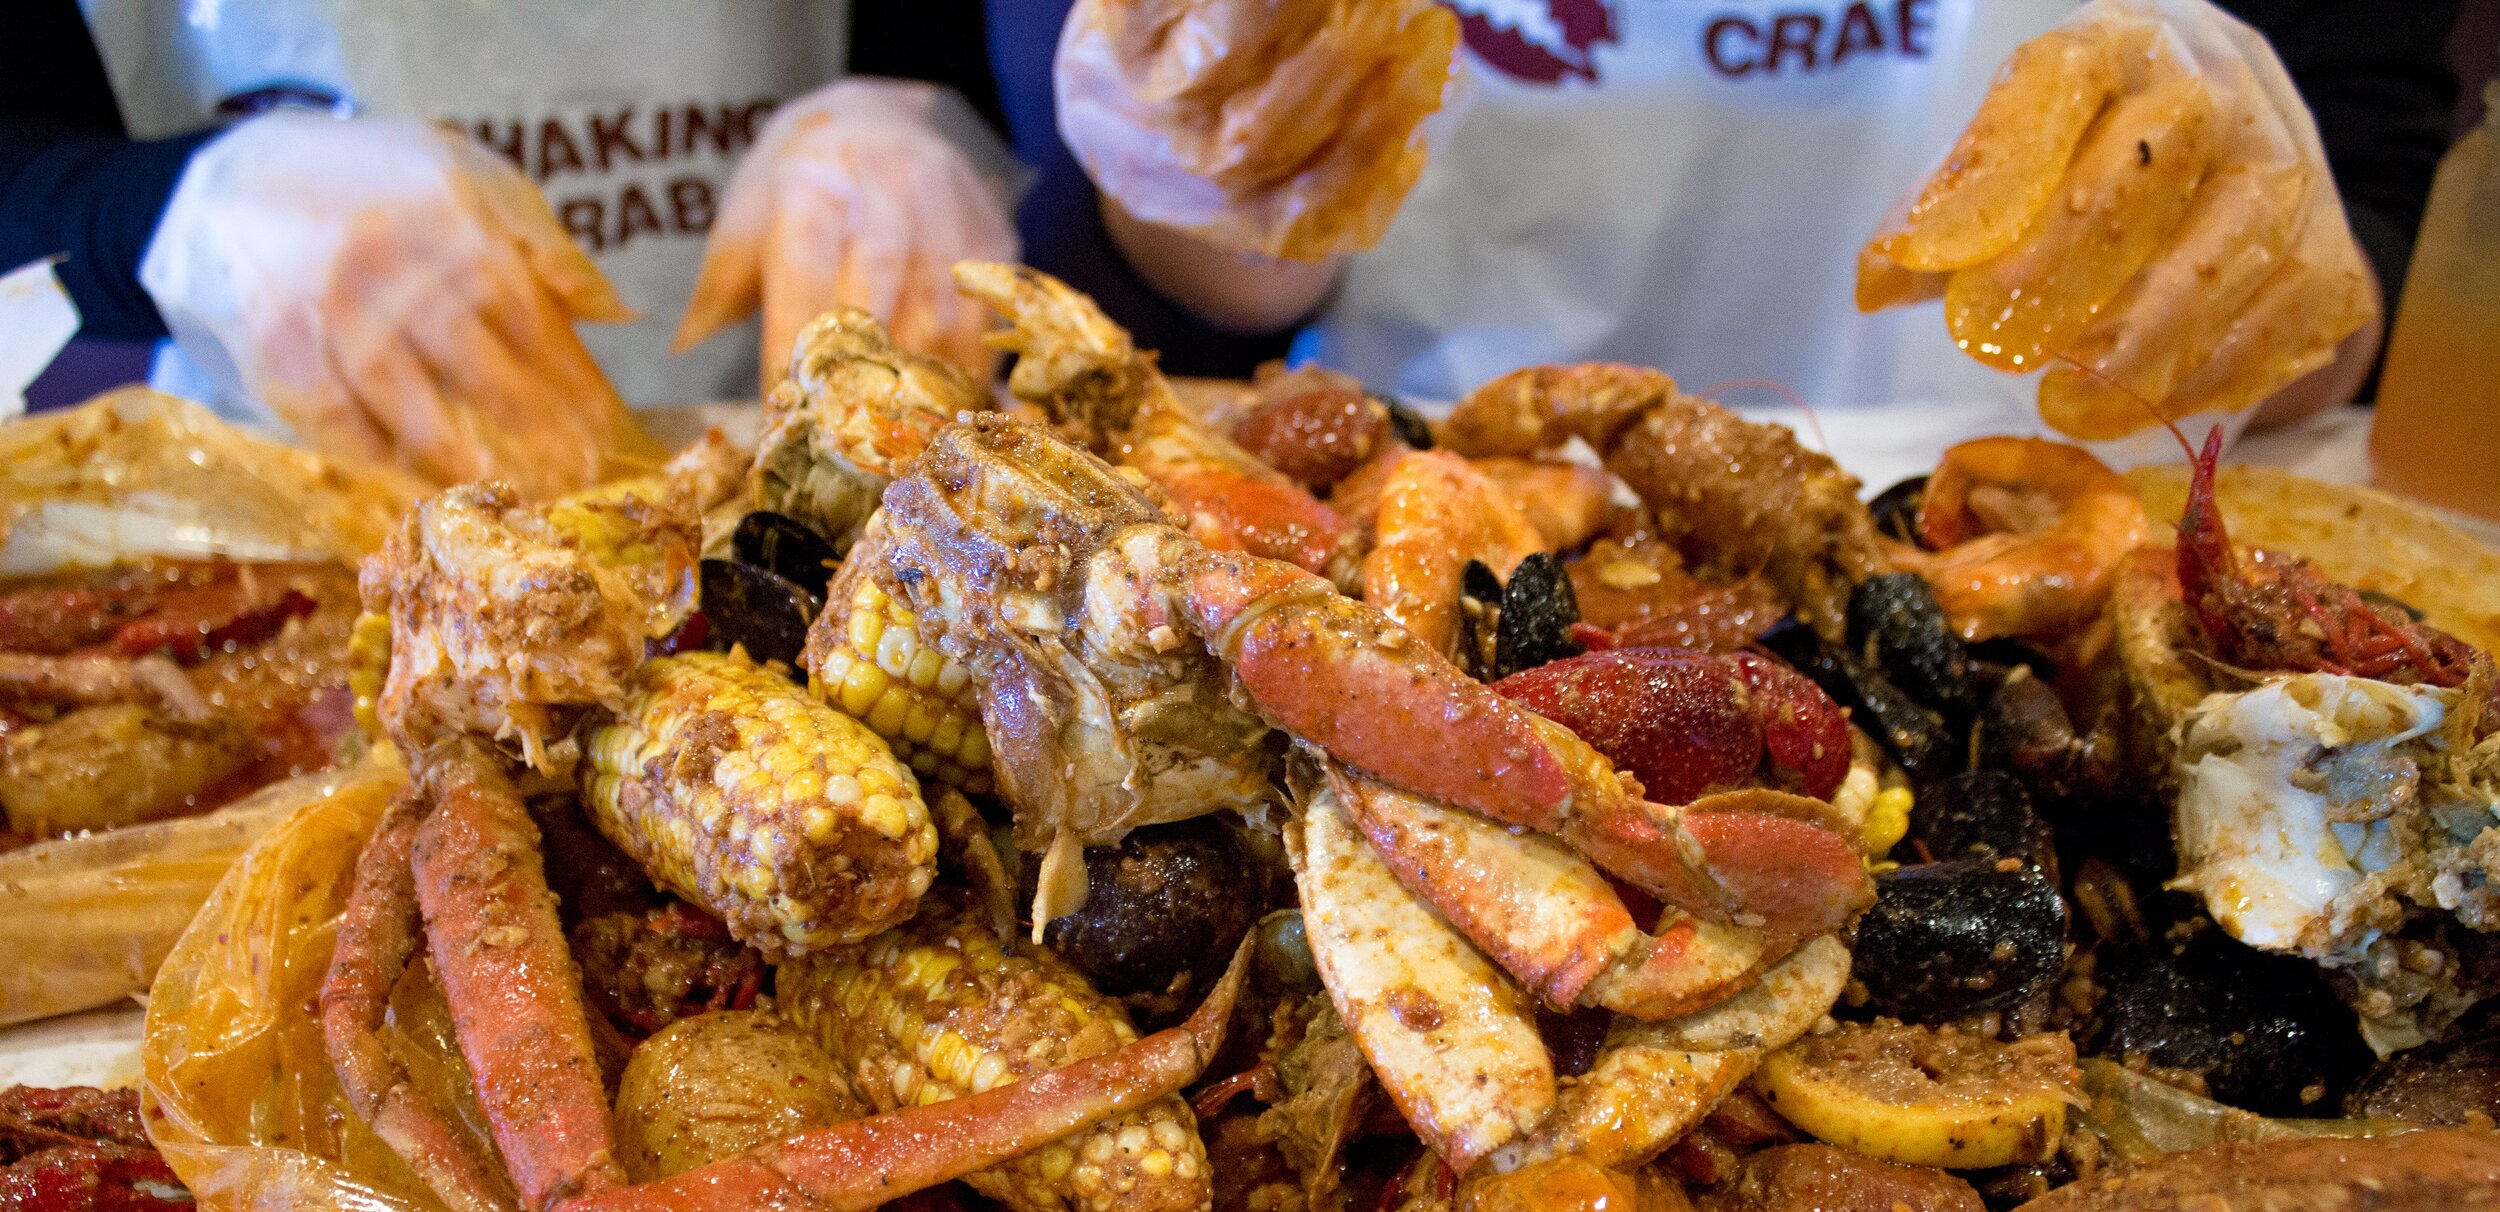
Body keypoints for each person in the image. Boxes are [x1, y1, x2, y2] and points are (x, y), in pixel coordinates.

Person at [975, 0, 2462, 430]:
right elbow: (1157, 298)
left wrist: (2269, 279)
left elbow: (2364, 273)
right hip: (1401, 483)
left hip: (2045, 499)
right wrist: (1210, 161)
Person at [1, 0, 1017, 494]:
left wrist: (906, 126)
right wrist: (174, 209)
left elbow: (947, 47)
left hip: (787, 466)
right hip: (298, 483)